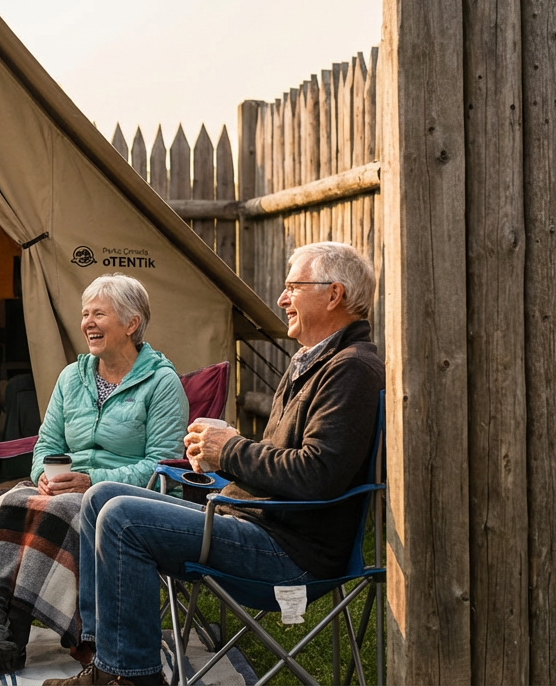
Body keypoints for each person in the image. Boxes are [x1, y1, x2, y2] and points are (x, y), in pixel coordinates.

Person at [46, 242, 384, 686]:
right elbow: (282, 462)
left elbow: (317, 474)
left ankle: (132, 677)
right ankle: (106, 658)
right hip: (255, 519)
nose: (281, 299)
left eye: (293, 287)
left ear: (334, 294)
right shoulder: (313, 362)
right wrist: (219, 460)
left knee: (123, 518)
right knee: (100, 496)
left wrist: (231, 450)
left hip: (291, 551)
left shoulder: (351, 369)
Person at [0, 274, 189, 677]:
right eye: (85, 314)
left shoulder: (161, 382)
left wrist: (91, 479)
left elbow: (163, 465)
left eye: (99, 314)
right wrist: (43, 475)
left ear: (131, 323)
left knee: (58, 511)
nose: (87, 323)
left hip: (121, 499)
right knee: (3, 503)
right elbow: (46, 444)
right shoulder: (72, 377)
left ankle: (3, 637)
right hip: (63, 489)